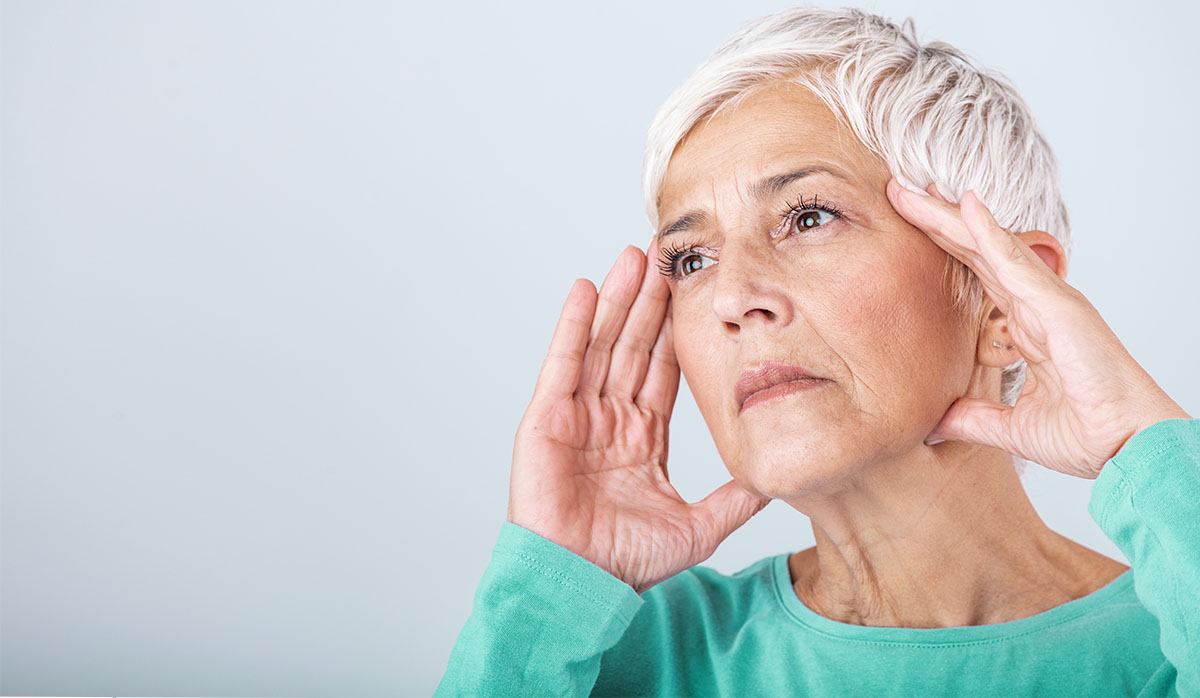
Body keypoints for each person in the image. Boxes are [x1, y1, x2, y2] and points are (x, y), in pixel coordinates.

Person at [435, 7, 1198, 696]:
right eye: (692, 260)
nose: (734, 298)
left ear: (1005, 300)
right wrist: (544, 600)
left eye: (807, 217)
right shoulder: (618, 657)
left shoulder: (1167, 652)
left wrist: (1143, 443)